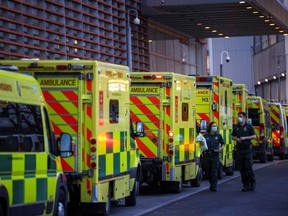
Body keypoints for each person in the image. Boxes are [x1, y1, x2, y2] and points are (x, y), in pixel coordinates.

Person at [232, 112, 256, 192]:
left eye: (241, 116)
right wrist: (237, 139)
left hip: (247, 150)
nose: (239, 118)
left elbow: (254, 136)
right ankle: (245, 184)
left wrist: (245, 138)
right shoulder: (236, 127)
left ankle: (252, 182)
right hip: (239, 150)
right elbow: (232, 136)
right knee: (242, 169)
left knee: (248, 167)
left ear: (244, 118)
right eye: (238, 116)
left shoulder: (248, 127)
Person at [203, 121, 225, 192]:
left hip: (215, 155)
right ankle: (211, 183)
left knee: (214, 171)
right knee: (208, 172)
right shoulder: (205, 135)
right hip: (207, 155)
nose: (215, 127)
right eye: (213, 126)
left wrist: (221, 148)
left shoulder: (218, 135)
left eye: (215, 126)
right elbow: (201, 144)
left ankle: (214, 186)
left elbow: (222, 143)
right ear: (210, 127)